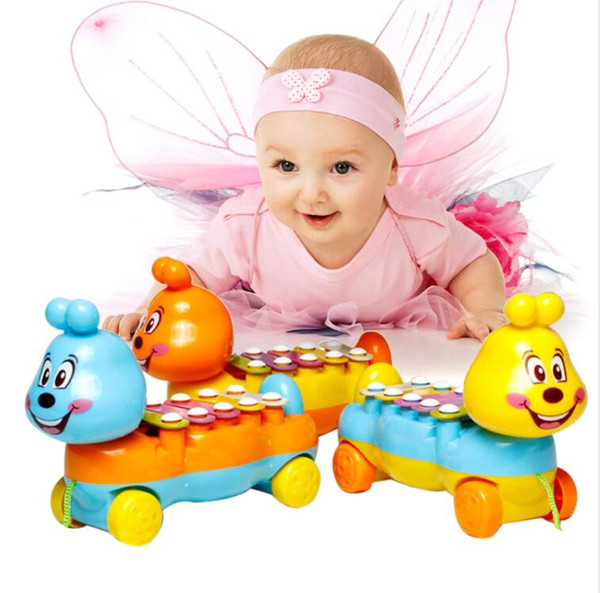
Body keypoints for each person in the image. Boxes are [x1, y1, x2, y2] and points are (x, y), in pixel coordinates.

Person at [103, 35, 506, 341]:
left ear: (392, 168)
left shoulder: (416, 225)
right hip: (286, 350)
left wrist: (485, 308)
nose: (311, 194)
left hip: (398, 343)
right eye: (286, 166)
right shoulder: (246, 225)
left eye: (342, 168)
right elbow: (192, 274)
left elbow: (469, 263)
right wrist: (150, 311)